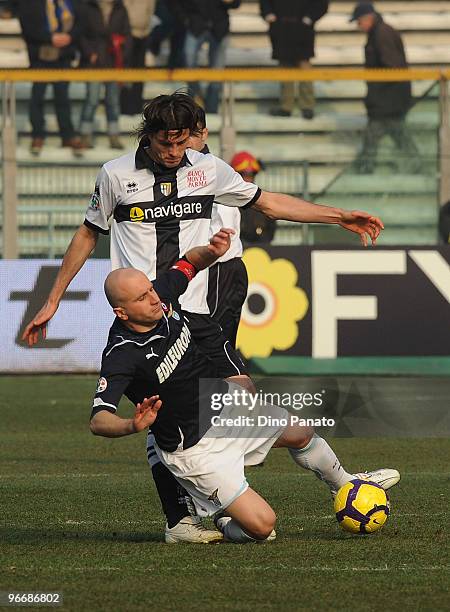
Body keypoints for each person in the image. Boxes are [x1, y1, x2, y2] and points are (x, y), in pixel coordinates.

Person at [22, 92, 384, 541]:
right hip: (148, 317)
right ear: (148, 136)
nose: (174, 152)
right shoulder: (116, 175)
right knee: (165, 416)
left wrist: (338, 217)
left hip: (195, 313)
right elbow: (86, 234)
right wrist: (53, 299)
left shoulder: (206, 169)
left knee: (242, 394)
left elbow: (267, 202)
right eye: (164, 143)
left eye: (180, 143)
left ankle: (340, 483)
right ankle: (182, 516)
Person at [91, 260, 400, 543]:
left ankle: (347, 484)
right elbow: (99, 419)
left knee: (302, 432)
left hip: (227, 409)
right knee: (264, 528)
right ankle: (223, 517)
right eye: (142, 297)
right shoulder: (122, 354)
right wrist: (132, 424)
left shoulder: (161, 295)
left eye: (150, 289)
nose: (154, 298)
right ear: (122, 312)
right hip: (197, 450)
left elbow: (188, 265)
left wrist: (210, 251)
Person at [188, 109, 248, 348]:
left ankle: (221, 386)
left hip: (218, 268)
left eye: (192, 134)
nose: (187, 142)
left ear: (204, 134)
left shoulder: (208, 170)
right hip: (209, 268)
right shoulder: (191, 169)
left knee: (212, 348)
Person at [350, 2, 421, 174]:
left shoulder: (381, 34)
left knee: (374, 134)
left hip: (387, 98)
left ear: (368, 18)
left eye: (359, 22)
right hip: (389, 98)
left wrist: (378, 93)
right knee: (397, 133)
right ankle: (416, 164)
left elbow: (393, 66)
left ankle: (366, 168)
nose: (359, 26)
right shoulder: (380, 32)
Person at [16, 0, 84, 156]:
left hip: (64, 55)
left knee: (62, 96)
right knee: (37, 96)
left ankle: (68, 136)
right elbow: (28, 28)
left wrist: (69, 37)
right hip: (40, 55)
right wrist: (50, 38)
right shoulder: (30, 4)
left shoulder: (70, 2)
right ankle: (37, 135)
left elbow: (81, 23)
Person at [259, 0, 329, 119]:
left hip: (302, 29)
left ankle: (307, 106)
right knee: (285, 68)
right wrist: (269, 15)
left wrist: (309, 18)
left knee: (304, 68)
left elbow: (321, 4)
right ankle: (286, 106)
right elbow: (265, 3)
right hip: (281, 29)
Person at [168, 0, 241, 113]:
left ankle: (211, 110)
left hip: (219, 26)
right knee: (189, 61)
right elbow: (175, 4)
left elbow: (236, 4)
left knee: (217, 72)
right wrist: (185, 19)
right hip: (195, 24)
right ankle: (194, 104)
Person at [78, 0, 132, 150]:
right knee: (92, 99)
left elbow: (127, 34)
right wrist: (89, 53)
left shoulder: (120, 8)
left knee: (113, 101)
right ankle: (85, 135)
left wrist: (122, 52)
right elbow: (80, 33)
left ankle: (114, 136)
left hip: (114, 62)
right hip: (93, 64)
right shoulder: (88, 7)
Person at [230, 151, 276, 246]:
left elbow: (270, 229)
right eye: (245, 174)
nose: (249, 179)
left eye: (251, 175)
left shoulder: (262, 200)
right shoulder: (226, 202)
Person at [120, 0, 156, 115]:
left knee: (140, 72)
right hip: (127, 34)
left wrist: (146, 29)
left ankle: (136, 105)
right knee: (127, 72)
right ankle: (125, 106)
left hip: (144, 34)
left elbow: (150, 11)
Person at [148, 0, 186, 69]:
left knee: (178, 28)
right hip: (162, 4)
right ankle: (153, 42)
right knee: (170, 23)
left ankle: (173, 65)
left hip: (179, 8)